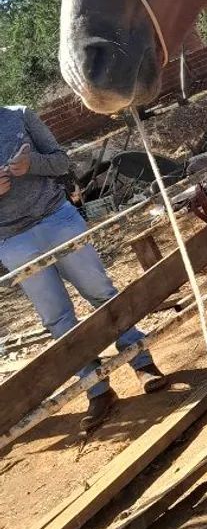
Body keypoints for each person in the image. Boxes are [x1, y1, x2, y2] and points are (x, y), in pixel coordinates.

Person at [0, 105, 169, 431]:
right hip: (12, 241)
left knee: (100, 293)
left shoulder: (20, 116)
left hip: (56, 219)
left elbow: (62, 161)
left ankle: (141, 361)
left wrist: (32, 164)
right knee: (57, 318)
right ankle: (97, 388)